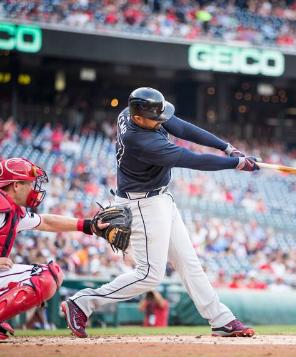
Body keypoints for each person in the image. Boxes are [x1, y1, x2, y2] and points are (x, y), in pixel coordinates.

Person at [62, 87, 259, 338]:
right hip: (143, 204)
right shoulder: (143, 141)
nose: (162, 121)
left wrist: (226, 147)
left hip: (159, 198)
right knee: (149, 275)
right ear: (138, 118)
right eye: (156, 118)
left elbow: (183, 128)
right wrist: (236, 163)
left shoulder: (131, 112)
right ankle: (81, 302)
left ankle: (221, 320)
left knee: (189, 263)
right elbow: (194, 160)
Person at [0, 157, 107, 340]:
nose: (34, 189)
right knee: (44, 277)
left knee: (49, 274)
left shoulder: (13, 210)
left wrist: (88, 226)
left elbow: (47, 222)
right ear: (16, 185)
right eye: (30, 183)